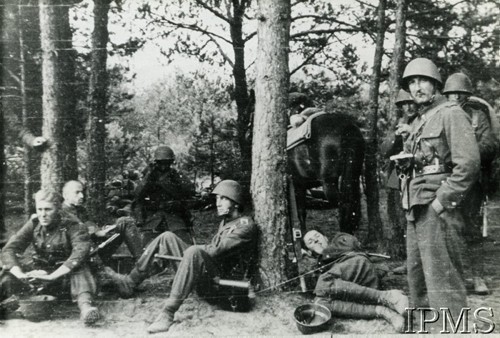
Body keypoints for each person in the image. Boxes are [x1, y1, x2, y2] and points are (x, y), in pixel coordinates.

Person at [105, 180, 258, 334]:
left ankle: (168, 313)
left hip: (221, 287)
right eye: (217, 198)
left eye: (223, 198)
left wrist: (193, 253)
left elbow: (215, 251)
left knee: (193, 251)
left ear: (237, 203)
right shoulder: (227, 222)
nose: (218, 203)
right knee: (167, 237)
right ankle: (130, 282)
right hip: (210, 276)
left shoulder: (244, 226)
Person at [399, 58, 480, 331]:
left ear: (435, 84)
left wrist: (440, 202)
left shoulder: (451, 113)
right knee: (418, 275)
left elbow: (467, 164)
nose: (417, 87)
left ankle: (454, 330)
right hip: (415, 203)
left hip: (436, 206)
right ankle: (427, 328)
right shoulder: (420, 120)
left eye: (422, 81)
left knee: (443, 278)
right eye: (412, 82)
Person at [0, 189, 99, 324]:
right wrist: (20, 274)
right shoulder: (35, 223)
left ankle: (86, 309)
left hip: (65, 276)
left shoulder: (73, 224)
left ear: (58, 209)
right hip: (42, 273)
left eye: (48, 209)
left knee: (80, 269)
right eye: (39, 209)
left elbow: (79, 254)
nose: (43, 214)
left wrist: (52, 276)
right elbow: (8, 250)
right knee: (8, 273)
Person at [443, 73, 499, 295]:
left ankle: (478, 276)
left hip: (471, 184)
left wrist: (466, 152)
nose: (455, 97)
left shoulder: (477, 117)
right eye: (451, 94)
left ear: (466, 95)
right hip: (445, 182)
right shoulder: (441, 116)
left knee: (472, 229)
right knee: (446, 229)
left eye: (460, 93)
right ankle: (453, 277)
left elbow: (490, 146)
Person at [303, 230, 408, 332]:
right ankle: (384, 312)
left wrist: (324, 253)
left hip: (362, 273)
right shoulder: (319, 266)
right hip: (354, 293)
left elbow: (352, 244)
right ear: (309, 251)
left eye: (317, 236)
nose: (316, 241)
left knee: (324, 282)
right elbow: (318, 288)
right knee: (320, 303)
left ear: (325, 237)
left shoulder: (339, 239)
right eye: (311, 242)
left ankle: (387, 297)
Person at [62, 180, 143, 265]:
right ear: (65, 195)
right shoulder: (62, 214)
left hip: (95, 247)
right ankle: (142, 265)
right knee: (125, 222)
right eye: (77, 192)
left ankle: (141, 261)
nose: (81, 196)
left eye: (82, 192)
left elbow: (89, 224)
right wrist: (96, 233)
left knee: (124, 221)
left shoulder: (81, 210)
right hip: (83, 255)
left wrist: (100, 230)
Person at [381, 89, 417, 265]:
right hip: (398, 175)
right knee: (399, 216)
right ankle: (406, 259)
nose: (408, 107)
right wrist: (396, 137)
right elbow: (384, 151)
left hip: (418, 173)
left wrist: (412, 133)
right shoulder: (398, 123)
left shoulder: (422, 121)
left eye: (411, 103)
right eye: (404, 104)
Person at [133, 145, 194, 245]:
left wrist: (176, 178)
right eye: (160, 163)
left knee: (184, 245)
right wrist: (148, 176)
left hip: (175, 219)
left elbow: (190, 191)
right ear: (156, 162)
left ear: (171, 162)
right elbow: (138, 195)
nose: (164, 166)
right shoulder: (149, 177)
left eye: (167, 163)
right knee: (146, 248)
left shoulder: (176, 175)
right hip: (153, 219)